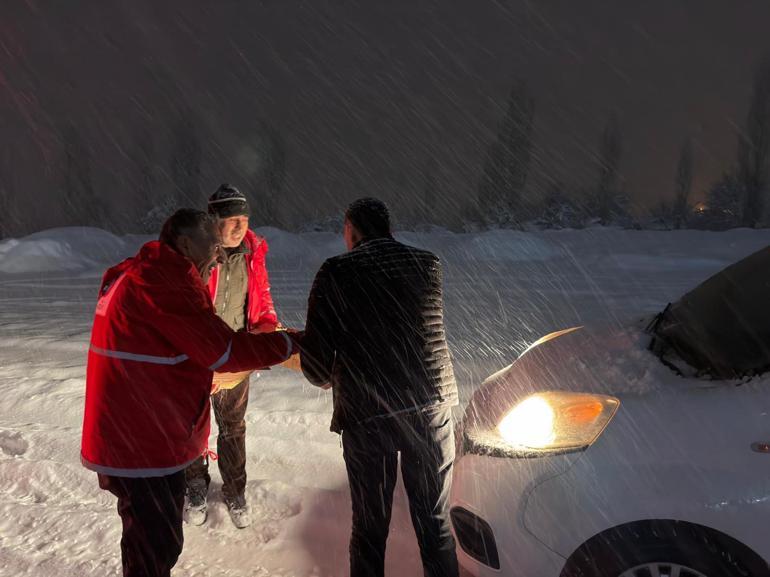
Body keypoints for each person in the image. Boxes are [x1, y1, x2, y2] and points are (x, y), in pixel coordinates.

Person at [81, 209, 301, 577]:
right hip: (141, 442)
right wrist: (292, 344)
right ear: (184, 242)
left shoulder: (142, 271)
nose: (218, 253)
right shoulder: (162, 281)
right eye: (212, 243)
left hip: (133, 433)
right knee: (155, 546)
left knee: (149, 542)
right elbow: (223, 351)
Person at [300, 198, 460, 577]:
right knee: (435, 526)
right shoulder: (427, 264)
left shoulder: (336, 271)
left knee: (370, 530)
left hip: (369, 414)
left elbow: (317, 365)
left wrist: (325, 372)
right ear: (388, 229)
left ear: (351, 230)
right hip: (429, 404)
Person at [184, 183, 281, 528]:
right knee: (193, 424)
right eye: (232, 219)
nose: (241, 225)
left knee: (233, 427)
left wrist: (267, 331)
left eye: (244, 217)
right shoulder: (196, 255)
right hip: (197, 357)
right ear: (214, 222)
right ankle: (195, 483)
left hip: (235, 356)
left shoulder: (252, 252)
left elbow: (262, 298)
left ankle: (235, 490)